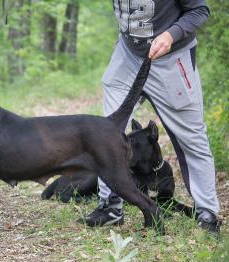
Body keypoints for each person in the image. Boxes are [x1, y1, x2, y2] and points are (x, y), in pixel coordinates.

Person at [84, 0, 220, 233]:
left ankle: (207, 215)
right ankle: (111, 206)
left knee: (192, 139)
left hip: (172, 59)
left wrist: (170, 34)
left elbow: (199, 10)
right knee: (107, 133)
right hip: (128, 56)